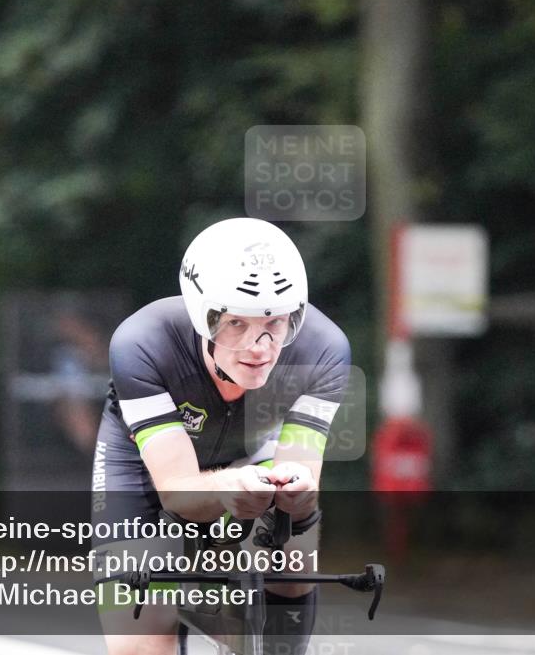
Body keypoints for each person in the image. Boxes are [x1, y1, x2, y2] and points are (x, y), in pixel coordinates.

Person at [93, 217, 351, 655]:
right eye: (237, 324)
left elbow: (301, 484)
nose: (260, 346)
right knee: (140, 640)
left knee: (294, 554)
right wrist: (228, 487)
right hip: (144, 465)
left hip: (252, 454)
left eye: (276, 323)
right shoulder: (142, 343)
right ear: (202, 316)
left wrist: (296, 495)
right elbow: (177, 494)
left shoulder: (323, 350)